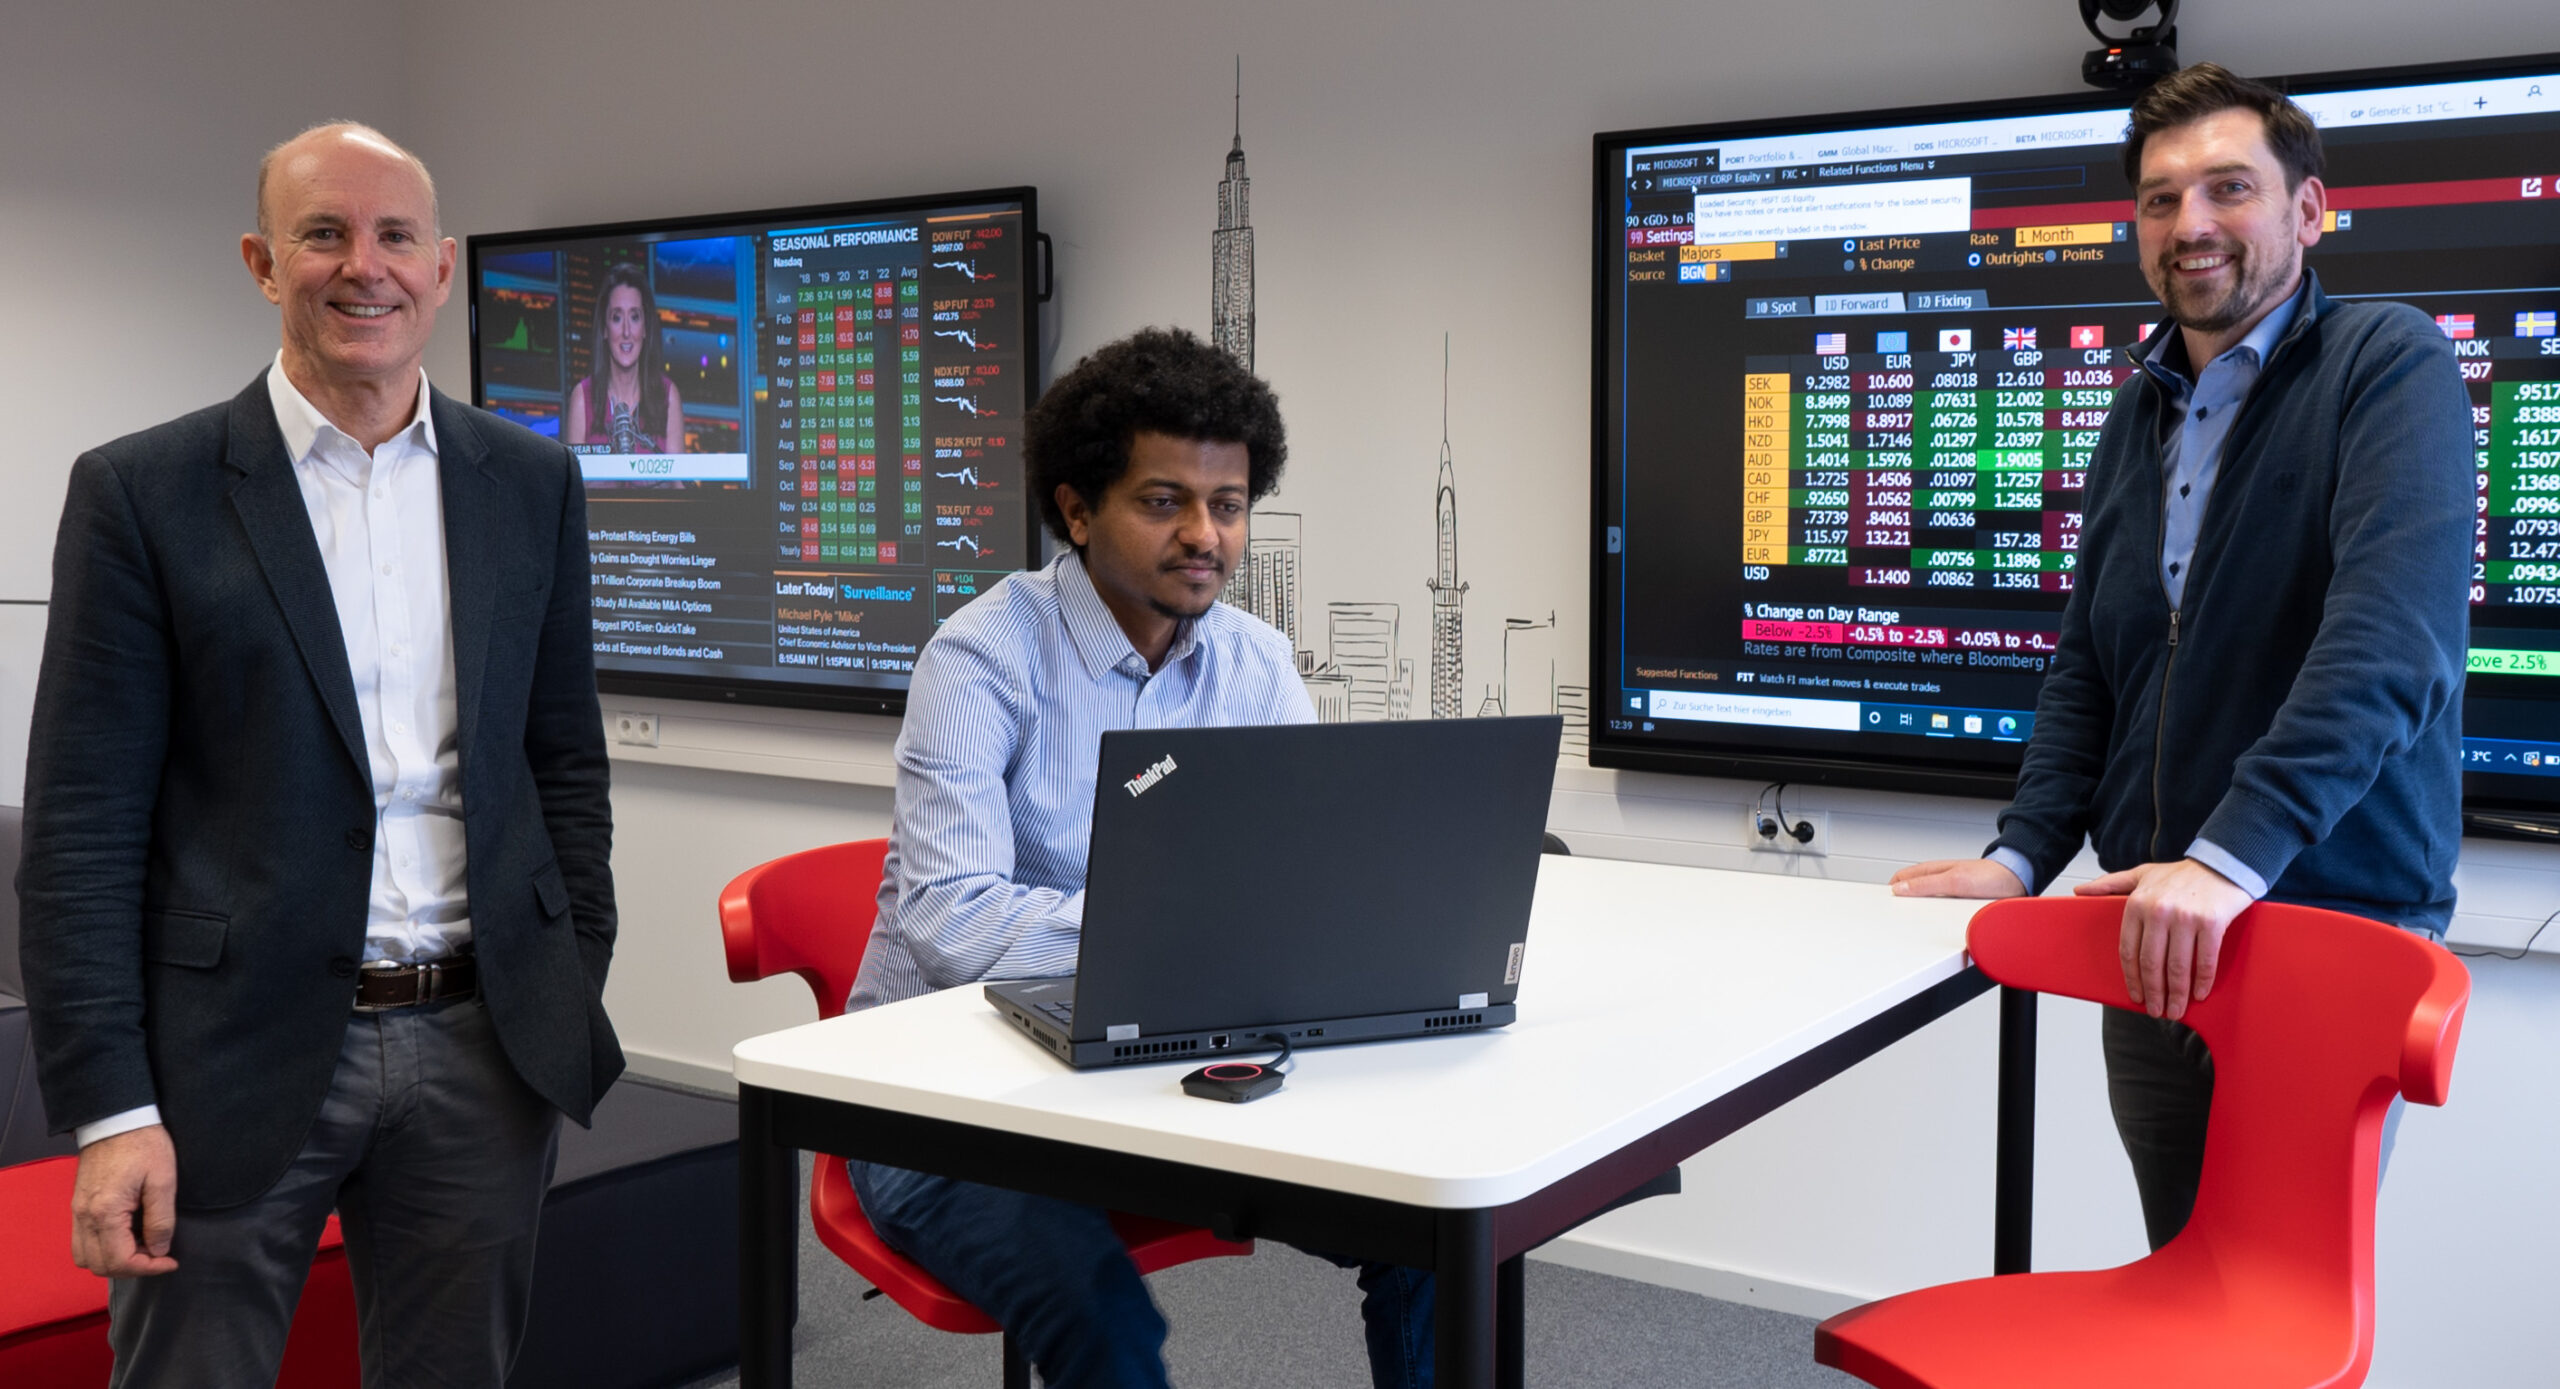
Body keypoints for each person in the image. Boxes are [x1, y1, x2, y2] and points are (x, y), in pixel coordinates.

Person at [15, 122, 621, 1386]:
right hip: (229, 1054)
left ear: (442, 267)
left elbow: (563, 761)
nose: (366, 267)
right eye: (324, 235)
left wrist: (562, 968)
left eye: (396, 236)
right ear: (260, 260)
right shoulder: (146, 491)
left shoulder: (530, 481)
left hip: (481, 1043)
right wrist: (113, 1113)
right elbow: (80, 828)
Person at [1890, 63, 2472, 1251]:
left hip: (2318, 926)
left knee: (2276, 1301)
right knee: (2182, 1279)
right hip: (2151, 933)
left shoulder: (2388, 363)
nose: (2189, 224)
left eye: (2227, 189)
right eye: (2159, 200)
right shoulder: (2142, 405)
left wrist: (2226, 858)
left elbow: (2389, 644)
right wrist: (2020, 857)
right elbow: (2088, 668)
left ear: (2309, 210)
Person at [844, 326, 1435, 1389]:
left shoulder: (1251, 665)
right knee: (1104, 1321)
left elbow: (1301, 883)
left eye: (1228, 504)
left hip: (1153, 1071)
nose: (1204, 534)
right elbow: (950, 919)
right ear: (1076, 510)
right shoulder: (980, 660)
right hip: (939, 1098)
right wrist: (1169, 931)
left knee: (1434, 1226)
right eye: (1164, 502)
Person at [565, 259, 686, 453]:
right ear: (605, 329)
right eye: (617, 318)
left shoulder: (668, 397)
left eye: (635, 317)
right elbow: (573, 482)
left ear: (646, 327)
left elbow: (678, 483)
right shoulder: (582, 398)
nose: (627, 332)